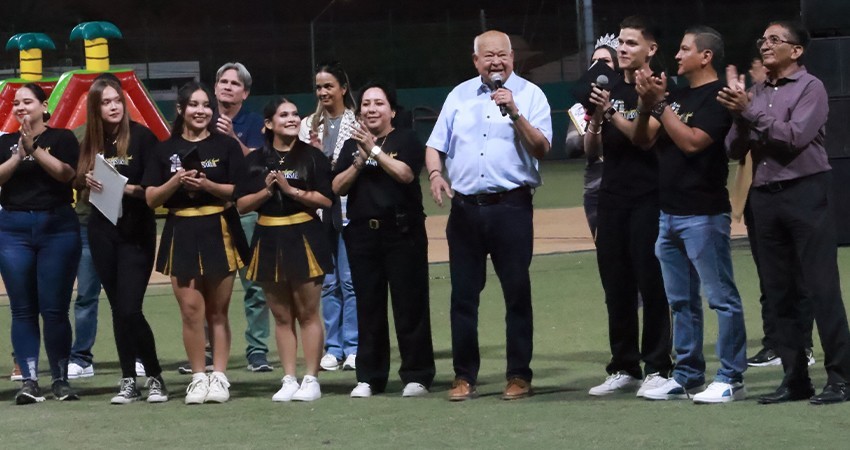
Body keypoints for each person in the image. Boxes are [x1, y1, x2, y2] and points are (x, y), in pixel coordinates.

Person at [719, 20, 850, 405]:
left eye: (775, 39)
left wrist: (752, 114)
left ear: (796, 51)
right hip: (765, 196)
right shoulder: (755, 92)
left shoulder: (812, 88)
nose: (765, 45)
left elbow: (794, 136)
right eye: (763, 39)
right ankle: (795, 380)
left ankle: (841, 379)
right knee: (779, 293)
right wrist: (741, 115)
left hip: (805, 192)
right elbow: (732, 149)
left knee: (821, 289)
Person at [425, 30, 552, 401]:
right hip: (464, 210)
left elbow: (542, 147)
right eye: (489, 56)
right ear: (476, 60)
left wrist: (514, 112)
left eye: (503, 55)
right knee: (463, 296)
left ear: (513, 58)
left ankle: (518, 375)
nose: (496, 62)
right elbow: (435, 145)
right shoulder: (458, 95)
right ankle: (464, 376)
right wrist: (435, 174)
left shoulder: (530, 95)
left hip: (510, 207)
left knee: (516, 293)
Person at [632, 26, 745, 403]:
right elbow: (643, 139)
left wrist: (660, 105)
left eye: (684, 50)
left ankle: (730, 375)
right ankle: (688, 372)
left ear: (706, 56)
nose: (676, 56)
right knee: (680, 301)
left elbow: (693, 143)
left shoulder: (719, 98)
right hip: (669, 214)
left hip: (703, 214)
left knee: (720, 298)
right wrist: (648, 102)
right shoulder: (676, 96)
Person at [143, 81, 249, 404]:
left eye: (206, 105)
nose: (201, 111)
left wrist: (207, 184)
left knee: (218, 311)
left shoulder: (227, 146)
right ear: (181, 109)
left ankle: (219, 376)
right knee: (191, 311)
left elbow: (239, 191)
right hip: (181, 230)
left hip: (220, 226)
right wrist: (176, 180)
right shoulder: (164, 150)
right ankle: (198, 377)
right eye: (194, 105)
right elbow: (150, 198)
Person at [584, 16, 673, 397]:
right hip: (612, 196)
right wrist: (596, 122)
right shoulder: (612, 87)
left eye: (631, 43)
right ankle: (624, 365)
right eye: (620, 42)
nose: (622, 49)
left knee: (651, 282)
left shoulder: (660, 87)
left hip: (649, 196)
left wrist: (612, 113)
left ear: (650, 49)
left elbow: (646, 138)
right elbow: (593, 152)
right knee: (615, 283)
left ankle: (657, 366)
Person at [334, 82, 436, 398]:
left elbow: (405, 174)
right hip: (364, 234)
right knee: (369, 306)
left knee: (410, 305)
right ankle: (370, 377)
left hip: (402, 233)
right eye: (366, 104)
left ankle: (417, 375)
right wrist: (359, 160)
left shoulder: (405, 138)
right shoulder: (352, 146)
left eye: (379, 103)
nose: (371, 109)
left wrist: (375, 150)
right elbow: (337, 186)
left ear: (391, 110)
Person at [75, 77, 169, 404]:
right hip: (101, 231)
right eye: (106, 102)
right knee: (117, 309)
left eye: (117, 100)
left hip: (136, 232)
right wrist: (85, 179)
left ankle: (155, 375)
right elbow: (77, 180)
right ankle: (129, 378)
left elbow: (154, 189)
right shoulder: (90, 141)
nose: (114, 107)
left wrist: (124, 186)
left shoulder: (143, 138)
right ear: (96, 108)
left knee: (130, 308)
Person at [235, 98, 333, 402]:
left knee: (307, 312)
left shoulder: (312, 156)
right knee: (281, 315)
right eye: (284, 115)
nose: (292, 119)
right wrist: (267, 191)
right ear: (268, 123)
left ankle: (311, 379)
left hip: (304, 234)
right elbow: (240, 205)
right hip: (268, 237)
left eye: (294, 114)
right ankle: (289, 378)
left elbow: (327, 200)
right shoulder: (254, 160)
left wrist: (292, 191)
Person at [0, 83, 81, 404]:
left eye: (28, 102)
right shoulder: (6, 142)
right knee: (22, 309)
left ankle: (60, 380)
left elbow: (66, 175)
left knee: (55, 309)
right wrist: (18, 154)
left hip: (57, 227)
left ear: (44, 106)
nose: (21, 107)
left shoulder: (62, 138)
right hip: (13, 230)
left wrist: (35, 150)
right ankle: (29, 381)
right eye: (16, 103)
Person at [299, 61, 359, 372]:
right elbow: (302, 170)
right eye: (319, 87)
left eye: (328, 86)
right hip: (320, 212)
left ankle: (354, 346)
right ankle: (333, 348)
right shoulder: (308, 125)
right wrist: (314, 154)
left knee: (350, 283)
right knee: (328, 283)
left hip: (350, 211)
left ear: (343, 89)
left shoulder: (357, 122)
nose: (323, 92)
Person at [214, 62, 272, 373]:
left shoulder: (254, 123)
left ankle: (257, 350)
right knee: (211, 285)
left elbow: (261, 162)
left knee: (255, 286)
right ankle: (211, 349)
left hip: (247, 212)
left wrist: (233, 140)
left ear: (245, 92)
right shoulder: (201, 118)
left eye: (234, 84)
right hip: (213, 213)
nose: (227, 87)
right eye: (223, 81)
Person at [565, 34, 619, 237]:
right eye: (594, 62)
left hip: (629, 184)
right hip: (596, 187)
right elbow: (572, 147)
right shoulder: (582, 107)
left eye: (605, 61)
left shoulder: (632, 99)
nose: (598, 66)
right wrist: (591, 114)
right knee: (606, 254)